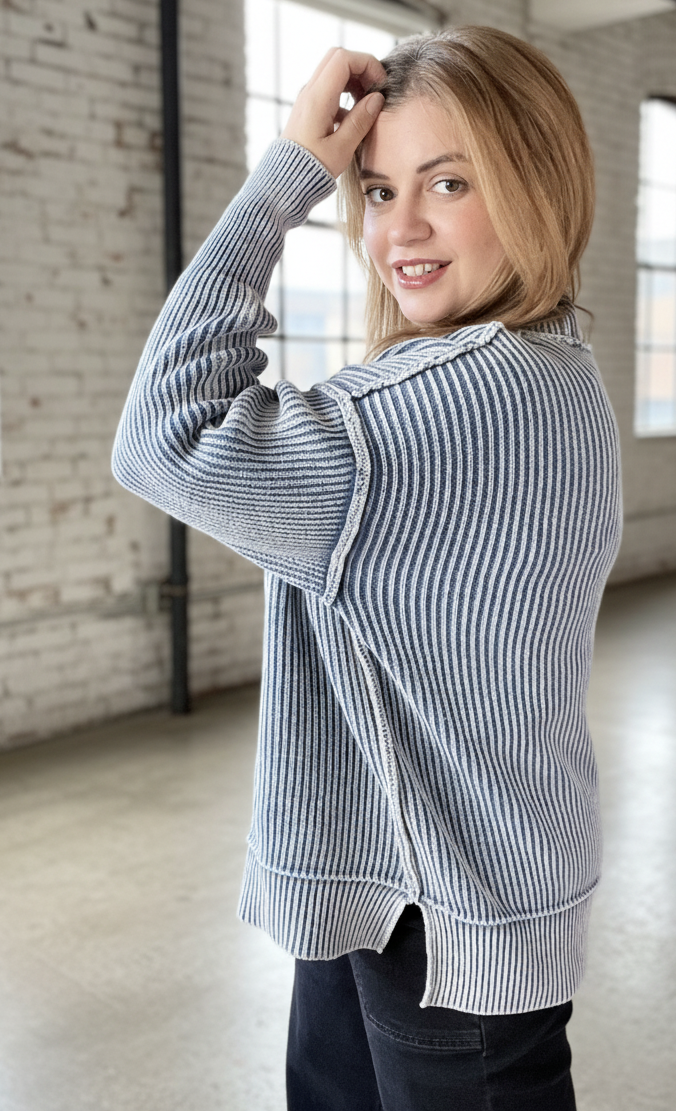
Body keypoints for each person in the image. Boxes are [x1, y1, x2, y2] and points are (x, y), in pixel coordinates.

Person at [113, 26, 621, 1112]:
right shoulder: (557, 367)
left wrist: (288, 179)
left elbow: (168, 434)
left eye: (449, 181)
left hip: (439, 913)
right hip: (404, 874)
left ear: (535, 182)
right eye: (377, 190)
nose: (403, 229)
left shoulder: (452, 404)